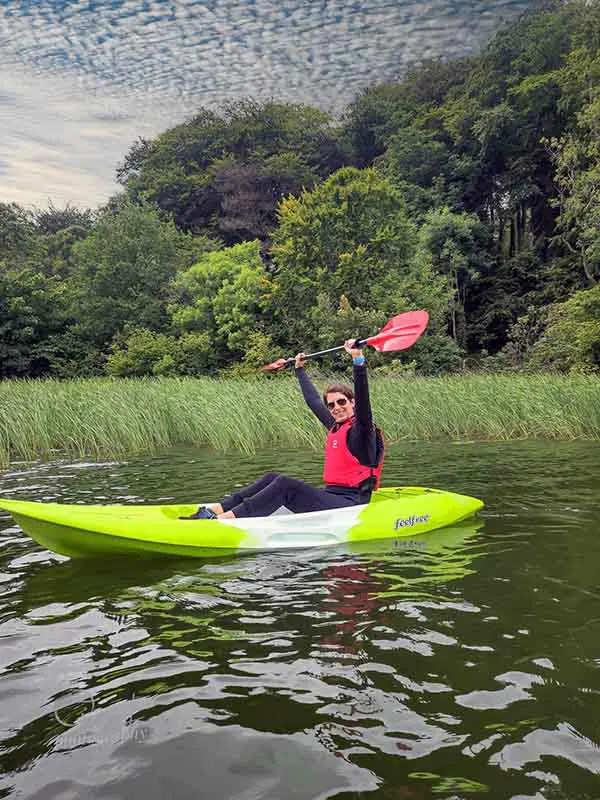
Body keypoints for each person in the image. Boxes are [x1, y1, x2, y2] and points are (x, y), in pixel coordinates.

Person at [181, 339, 384, 520]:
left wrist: (358, 360)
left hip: (351, 504)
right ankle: (216, 509)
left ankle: (224, 521)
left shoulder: (362, 430)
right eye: (331, 405)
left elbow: (364, 400)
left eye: (342, 402)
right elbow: (313, 401)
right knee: (272, 478)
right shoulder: (336, 426)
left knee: (285, 484)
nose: (336, 408)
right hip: (332, 496)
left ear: (352, 403)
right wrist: (299, 369)